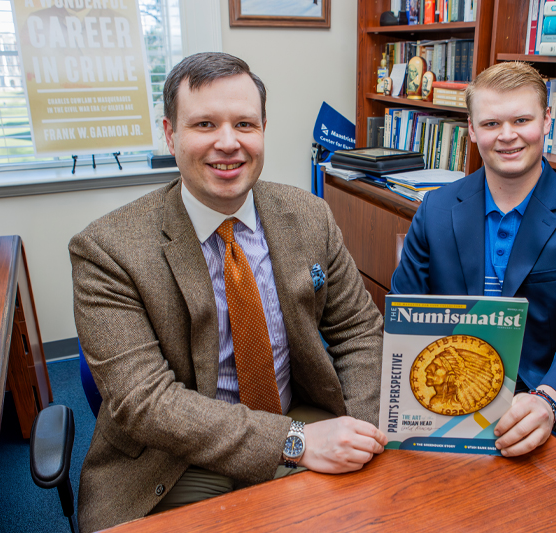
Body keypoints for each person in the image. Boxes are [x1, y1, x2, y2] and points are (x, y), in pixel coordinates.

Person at [70, 52, 387, 532]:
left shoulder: (309, 215)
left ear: (263, 130)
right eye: (204, 124)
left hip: (297, 413)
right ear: (170, 133)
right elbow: (146, 402)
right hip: (174, 458)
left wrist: (366, 433)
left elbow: (359, 331)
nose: (228, 143)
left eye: (244, 124)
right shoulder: (107, 249)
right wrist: (294, 440)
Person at [390, 62, 556, 499]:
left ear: (547, 121)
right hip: (452, 386)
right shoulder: (434, 209)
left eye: (521, 120)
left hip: (553, 390)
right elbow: (405, 311)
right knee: (418, 495)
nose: (507, 135)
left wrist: (549, 399)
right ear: (471, 130)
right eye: (491, 123)